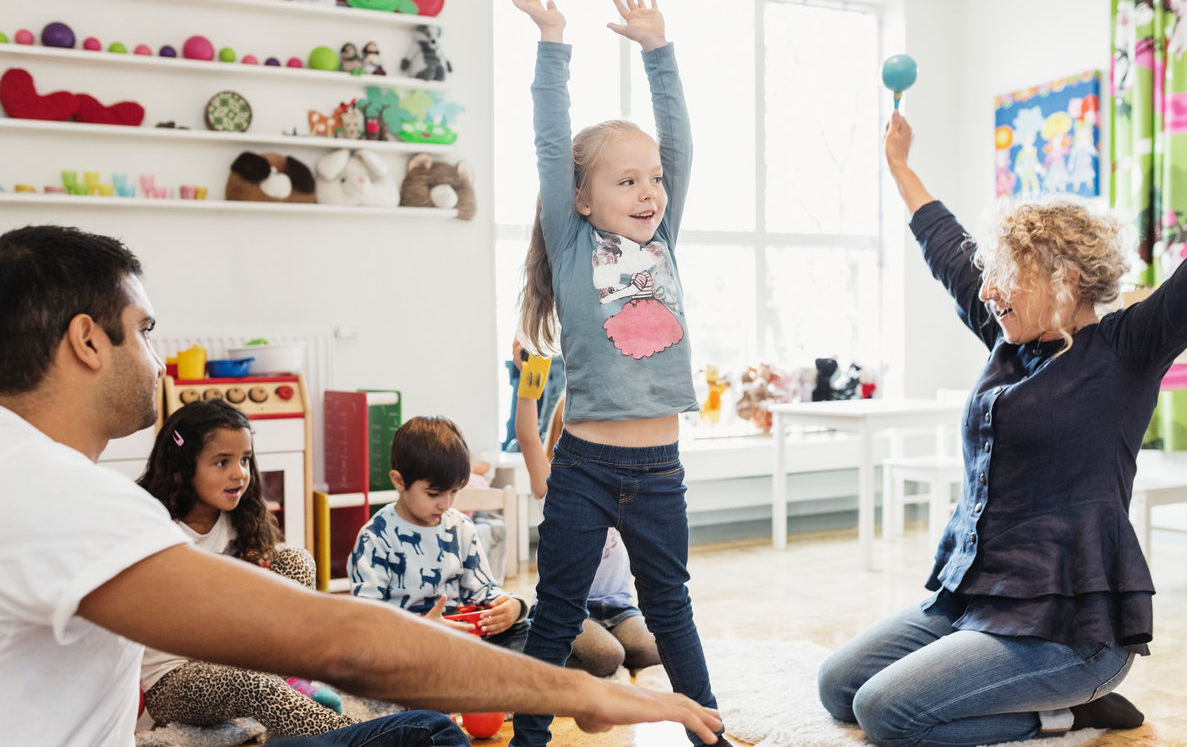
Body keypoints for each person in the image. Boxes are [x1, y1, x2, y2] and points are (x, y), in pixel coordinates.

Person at [0, 223, 724, 747]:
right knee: (428, 737)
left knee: (422, 732)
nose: (158, 357)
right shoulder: (53, 492)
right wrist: (585, 691)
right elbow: (345, 642)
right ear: (89, 340)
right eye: (146, 329)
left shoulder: (32, 470)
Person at [815, 111, 1187, 745]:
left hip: (1071, 630)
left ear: (1064, 280)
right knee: (839, 688)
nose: (989, 290)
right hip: (978, 602)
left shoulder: (1127, 350)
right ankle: (1038, 700)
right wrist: (901, 167)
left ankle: (1064, 710)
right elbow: (945, 246)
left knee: (888, 713)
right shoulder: (1007, 340)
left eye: (1006, 275)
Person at [508, 0, 727, 747]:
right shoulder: (574, 250)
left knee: (670, 608)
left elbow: (681, 144)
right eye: (626, 180)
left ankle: (708, 732)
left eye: (654, 179)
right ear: (580, 198)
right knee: (558, 608)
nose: (648, 191)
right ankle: (528, 736)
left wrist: (659, 52)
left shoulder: (662, 244)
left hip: (659, 469)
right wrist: (552, 42)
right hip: (585, 467)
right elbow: (548, 136)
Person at [137, 399, 454, 740]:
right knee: (255, 685)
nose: (239, 473)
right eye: (221, 462)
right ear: (182, 469)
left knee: (294, 559)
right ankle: (363, 737)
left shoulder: (235, 519)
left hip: (236, 652)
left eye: (245, 459)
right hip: (175, 679)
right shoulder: (159, 530)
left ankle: (290, 682)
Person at [512, 340, 660, 677]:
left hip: (619, 607)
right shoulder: (553, 486)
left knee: (650, 649)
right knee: (607, 657)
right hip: (570, 608)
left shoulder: (621, 481)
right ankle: (540, 650)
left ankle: (596, 643)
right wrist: (529, 379)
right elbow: (527, 437)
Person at [347, 415, 529, 652]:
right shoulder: (375, 537)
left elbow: (483, 589)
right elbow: (365, 617)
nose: (445, 504)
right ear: (399, 481)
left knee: (526, 629)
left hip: (459, 634)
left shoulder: (461, 527)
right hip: (406, 642)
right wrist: (422, 630)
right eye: (434, 494)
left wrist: (512, 607)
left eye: (453, 491)